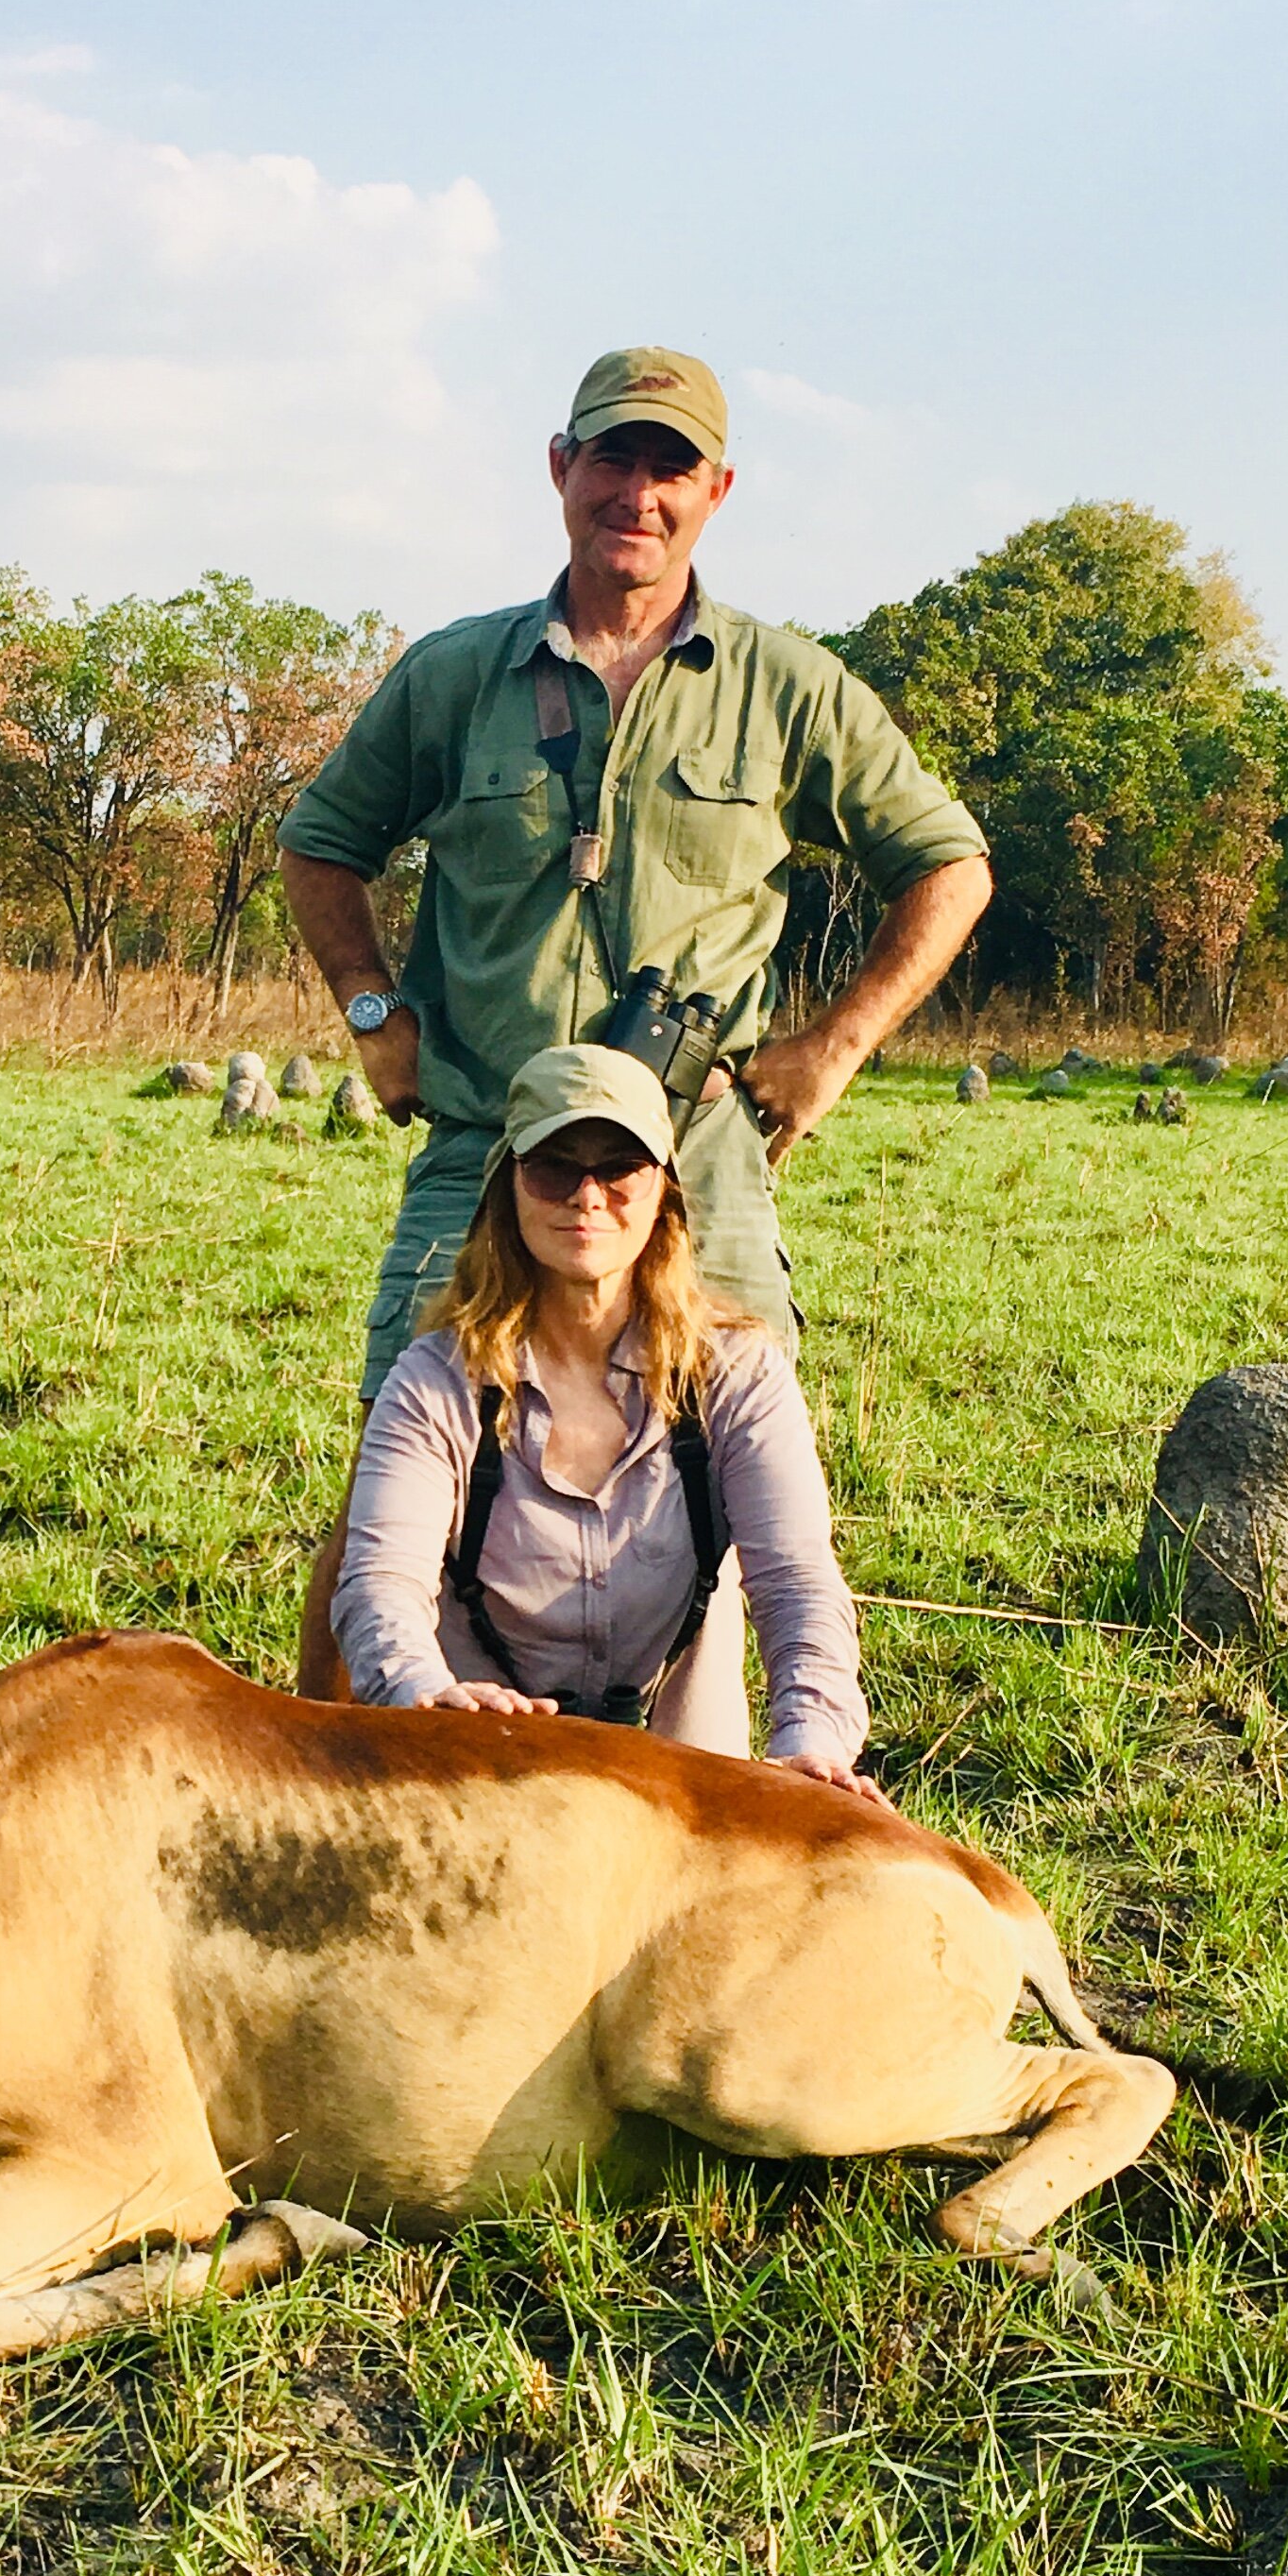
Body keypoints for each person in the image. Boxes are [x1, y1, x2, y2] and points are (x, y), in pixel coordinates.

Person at [280, 343, 991, 1695]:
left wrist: (830, 1047)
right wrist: (377, 1012)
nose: (638, 491)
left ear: (716, 489)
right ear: (561, 468)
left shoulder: (786, 684)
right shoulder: (454, 674)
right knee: (398, 1445)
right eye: (613, 456)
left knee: (721, 1483)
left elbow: (948, 866)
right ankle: (323, 1771)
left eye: (671, 466)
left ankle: (692, 1810)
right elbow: (321, 839)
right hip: (489, 1141)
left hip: (696, 1156)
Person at [333, 1044, 880, 1797]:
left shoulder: (739, 1374)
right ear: (508, 1187)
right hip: (477, 1754)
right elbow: (379, 1585)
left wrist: (809, 1744)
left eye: (619, 1168)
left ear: (664, 1193)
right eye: (555, 1166)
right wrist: (425, 1692)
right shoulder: (434, 1381)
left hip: (683, 1772)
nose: (587, 1196)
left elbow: (797, 1583)